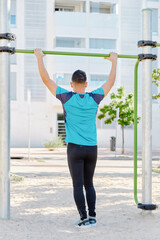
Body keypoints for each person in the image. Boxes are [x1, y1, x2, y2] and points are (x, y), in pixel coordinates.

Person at [34, 49, 118, 228]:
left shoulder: (67, 97)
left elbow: (46, 79)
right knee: (89, 184)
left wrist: (39, 58)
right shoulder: (94, 98)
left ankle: (83, 218)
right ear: (86, 84)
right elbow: (110, 81)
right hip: (91, 149)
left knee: (78, 185)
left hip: (74, 149)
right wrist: (114, 61)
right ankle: (93, 217)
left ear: (72, 84)